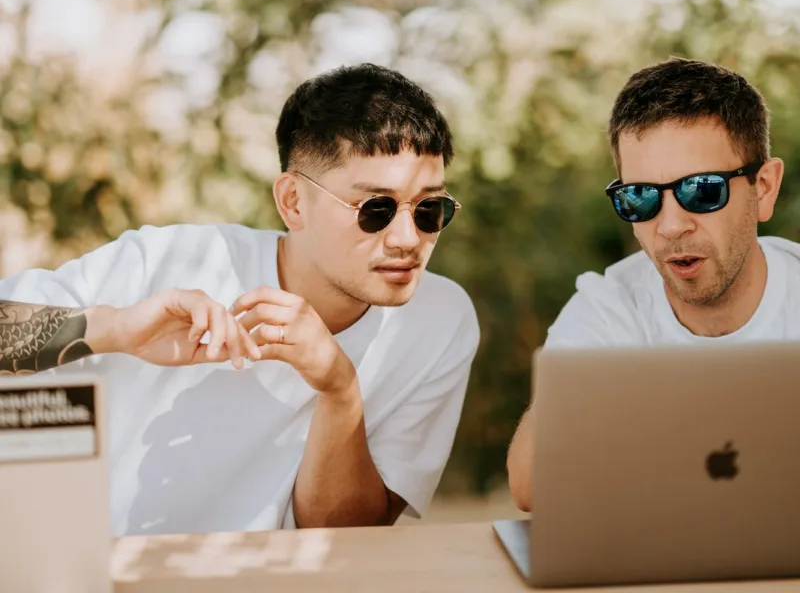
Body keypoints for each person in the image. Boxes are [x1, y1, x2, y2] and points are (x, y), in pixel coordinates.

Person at [0, 62, 480, 536]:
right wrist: (115, 329)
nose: (407, 239)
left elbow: (346, 537)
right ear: (293, 202)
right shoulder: (168, 260)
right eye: (376, 209)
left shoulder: (441, 320)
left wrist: (339, 389)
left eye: (429, 209)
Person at [506, 56, 800, 512]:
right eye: (640, 196)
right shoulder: (609, 306)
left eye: (702, 190)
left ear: (762, 188)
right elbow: (531, 485)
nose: (670, 226)